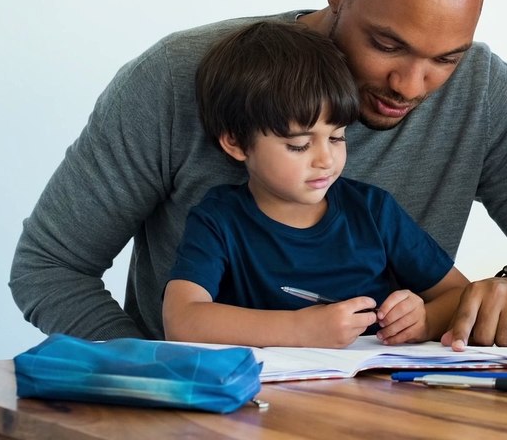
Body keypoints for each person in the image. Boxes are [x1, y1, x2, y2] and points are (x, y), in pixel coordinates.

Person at [10, 0, 507, 348]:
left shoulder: (482, 93)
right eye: (386, 45)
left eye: (446, 58)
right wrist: (155, 376)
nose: (411, 86)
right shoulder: (177, 79)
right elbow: (49, 267)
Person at [162, 21, 468, 348]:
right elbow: (181, 320)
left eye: (337, 137)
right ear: (236, 143)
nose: (325, 160)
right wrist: (300, 329)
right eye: (299, 145)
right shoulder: (219, 220)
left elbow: (461, 295)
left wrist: (425, 320)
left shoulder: (373, 211)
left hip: (371, 377)